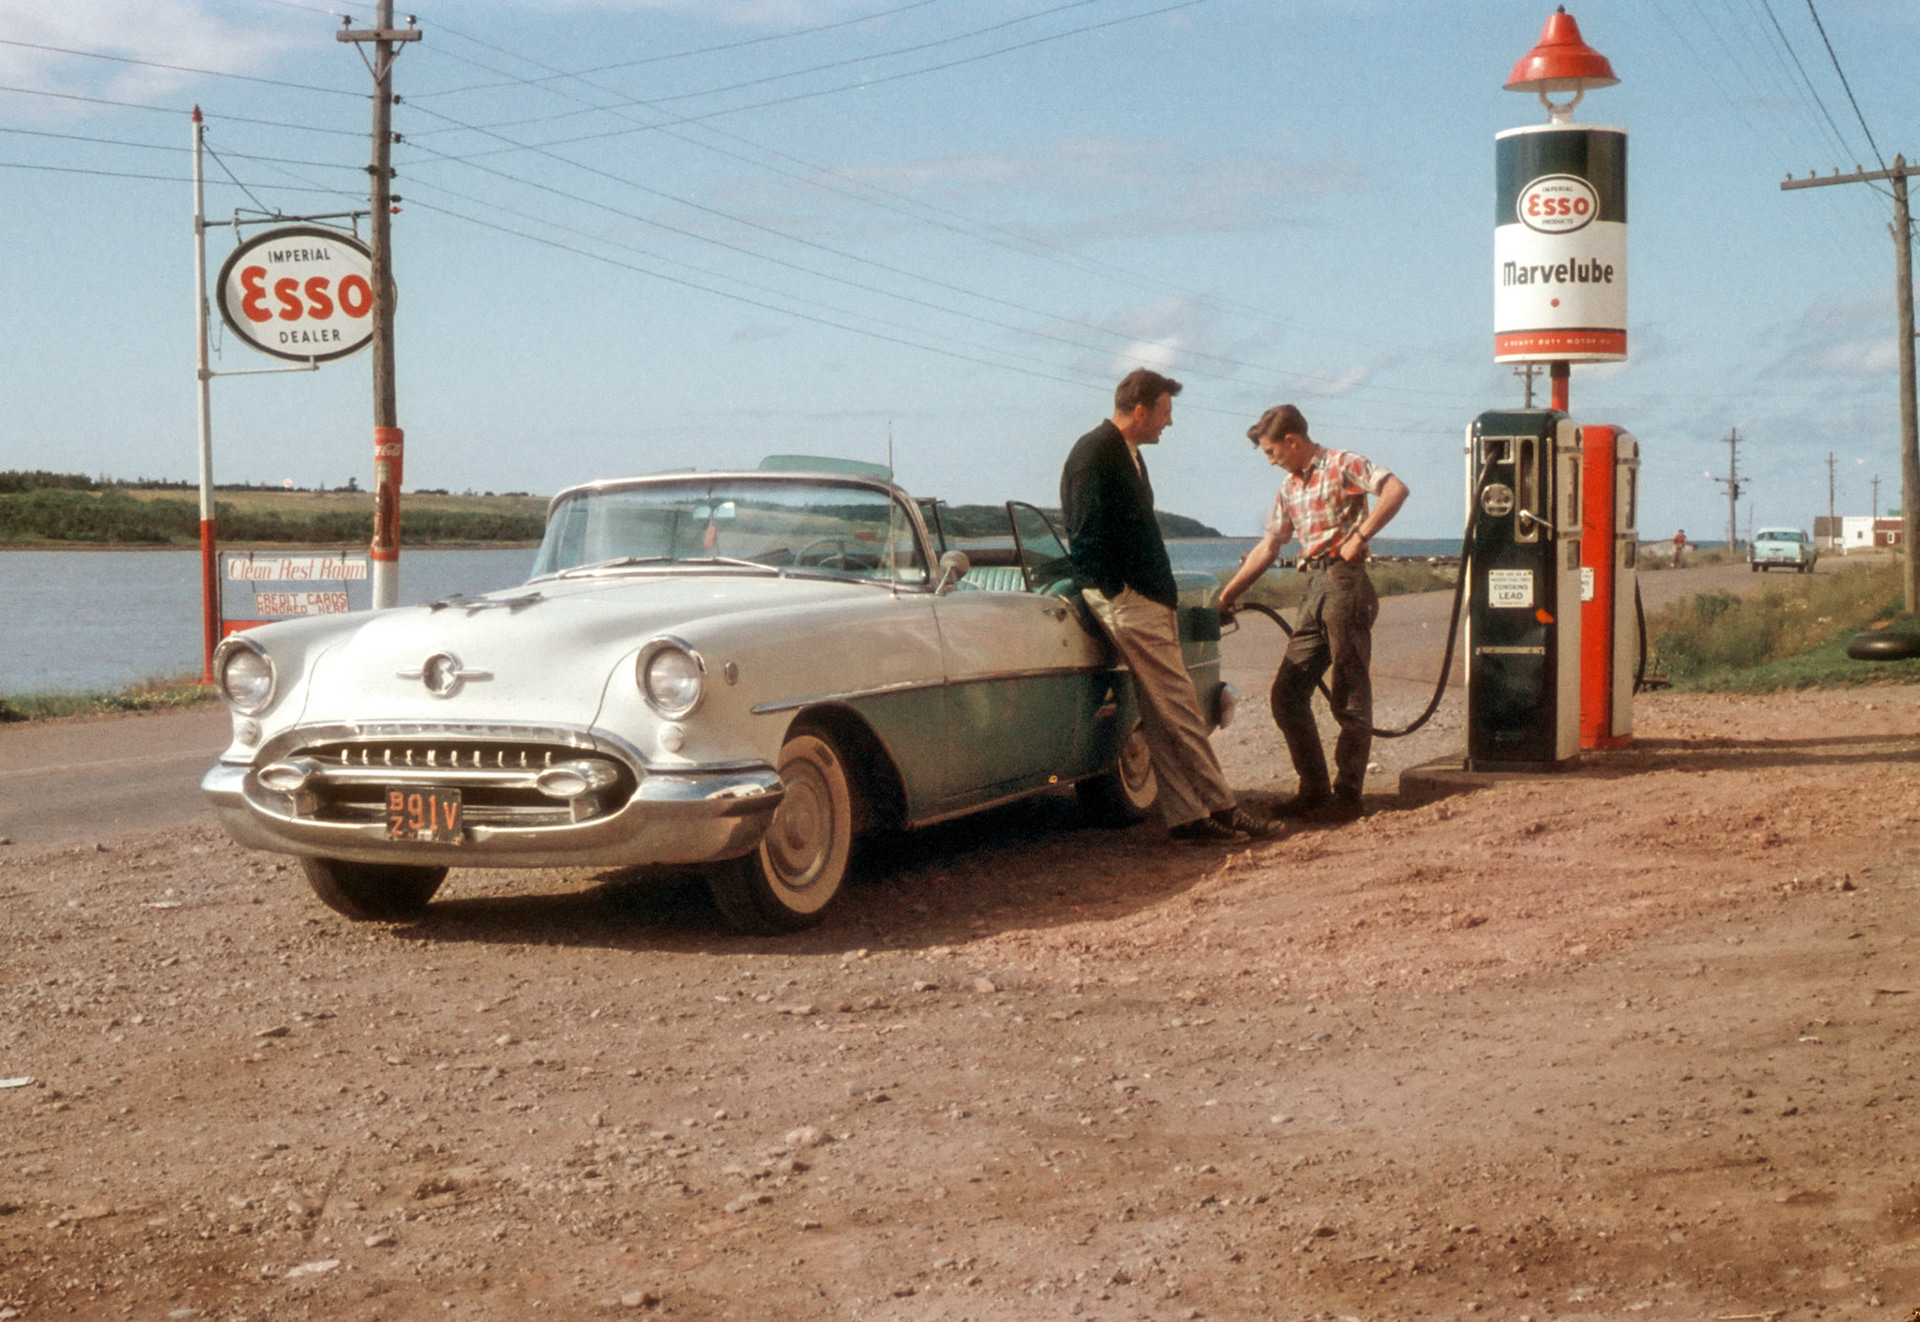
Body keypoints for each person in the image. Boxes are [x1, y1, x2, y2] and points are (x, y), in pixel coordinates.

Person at [1060, 369, 1269, 844]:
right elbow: (1086, 534)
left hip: (1144, 597)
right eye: (1165, 412)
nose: (1169, 423)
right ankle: (1224, 808)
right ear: (1141, 411)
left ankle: (1189, 818)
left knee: (1162, 713)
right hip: (1130, 601)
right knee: (1180, 709)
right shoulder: (1095, 453)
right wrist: (1118, 593)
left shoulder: (1124, 453)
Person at [1217, 404, 1410, 824]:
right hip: (1313, 587)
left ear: (1292, 441)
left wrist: (1361, 534)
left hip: (1346, 583)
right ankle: (1314, 790)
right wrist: (1227, 595)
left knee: (1349, 692)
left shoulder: (1341, 463)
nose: (1271, 461)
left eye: (1272, 452)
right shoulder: (1289, 488)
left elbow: (1395, 489)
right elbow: (1271, 545)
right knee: (1287, 695)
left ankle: (1348, 795)